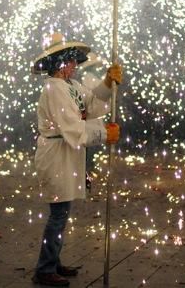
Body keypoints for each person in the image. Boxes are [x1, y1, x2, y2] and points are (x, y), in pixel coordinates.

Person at [31, 33, 122, 287]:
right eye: (70, 61)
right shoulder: (54, 88)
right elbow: (71, 126)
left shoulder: (70, 86)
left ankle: (53, 262)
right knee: (58, 214)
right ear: (59, 63)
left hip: (67, 155)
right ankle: (45, 268)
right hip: (56, 155)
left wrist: (107, 82)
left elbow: (91, 104)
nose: (74, 65)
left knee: (62, 211)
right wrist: (104, 135)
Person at [76, 52, 105, 191]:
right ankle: (85, 173)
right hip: (91, 117)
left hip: (92, 116)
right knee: (88, 145)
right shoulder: (90, 79)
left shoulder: (88, 78)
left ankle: (87, 171)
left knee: (90, 146)